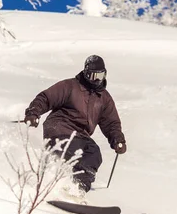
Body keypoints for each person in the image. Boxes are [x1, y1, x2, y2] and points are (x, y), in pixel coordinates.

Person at [23, 55, 127, 202]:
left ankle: (78, 190)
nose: (97, 79)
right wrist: (33, 113)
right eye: (94, 75)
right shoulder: (70, 86)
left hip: (80, 135)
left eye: (101, 75)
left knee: (94, 153)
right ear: (86, 73)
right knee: (74, 153)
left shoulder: (103, 98)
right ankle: (58, 184)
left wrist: (117, 139)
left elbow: (111, 123)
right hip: (59, 128)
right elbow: (46, 98)